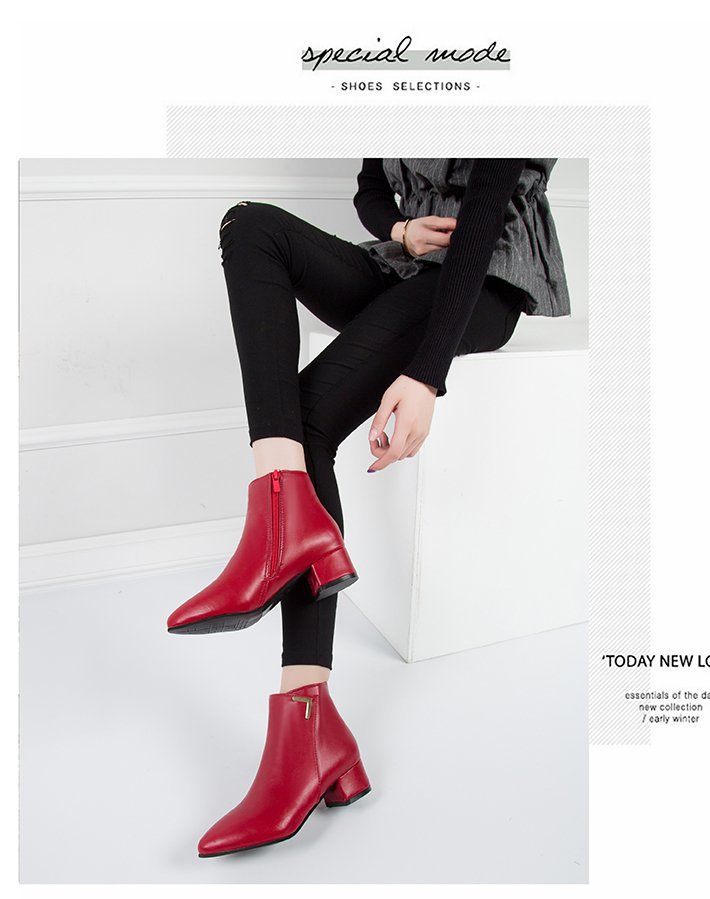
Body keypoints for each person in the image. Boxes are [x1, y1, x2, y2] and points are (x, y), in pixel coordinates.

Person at [166, 157, 571, 858]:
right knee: (252, 227)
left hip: (483, 278)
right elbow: (370, 185)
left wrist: (426, 375)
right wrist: (399, 229)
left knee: (309, 416)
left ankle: (305, 724)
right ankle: (285, 522)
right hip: (406, 267)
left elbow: (483, 217)